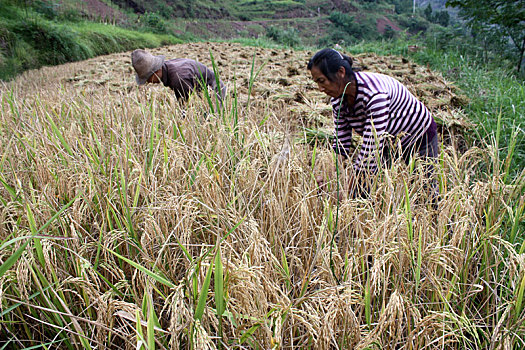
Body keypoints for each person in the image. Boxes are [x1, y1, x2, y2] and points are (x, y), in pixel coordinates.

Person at [307, 48, 439, 197]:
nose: (320, 88)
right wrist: (328, 174)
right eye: (317, 82)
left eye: (322, 81)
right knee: (366, 188)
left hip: (418, 134)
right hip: (388, 138)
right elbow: (341, 142)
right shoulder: (338, 100)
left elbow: (371, 150)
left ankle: (434, 216)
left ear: (341, 72)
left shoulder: (375, 95)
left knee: (425, 189)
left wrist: (347, 191)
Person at [131, 49, 226, 103]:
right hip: (201, 92)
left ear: (156, 71)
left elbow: (189, 105)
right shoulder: (168, 68)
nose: (148, 82)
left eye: (148, 78)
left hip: (214, 91)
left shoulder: (178, 78)